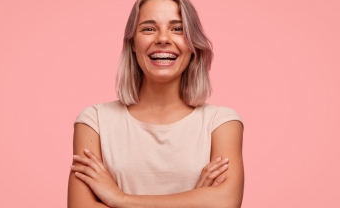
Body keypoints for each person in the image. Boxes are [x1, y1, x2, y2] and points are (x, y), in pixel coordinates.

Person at [67, 0, 244, 207]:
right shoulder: (94, 121)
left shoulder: (221, 123)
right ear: (132, 43)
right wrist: (194, 201)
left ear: (192, 43)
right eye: (149, 28)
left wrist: (119, 199)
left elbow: (225, 202)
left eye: (178, 29)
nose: (162, 39)